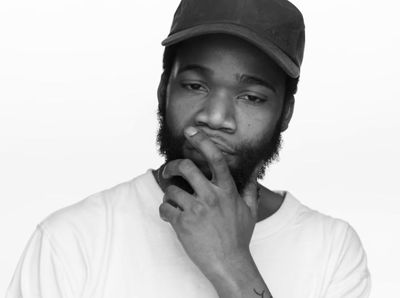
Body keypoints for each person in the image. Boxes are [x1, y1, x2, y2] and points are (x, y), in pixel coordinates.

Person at [6, 0, 371, 297]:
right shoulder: (72, 240)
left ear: (285, 113)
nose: (215, 117)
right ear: (164, 90)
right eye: (196, 86)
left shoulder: (331, 251)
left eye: (251, 96)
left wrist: (233, 266)